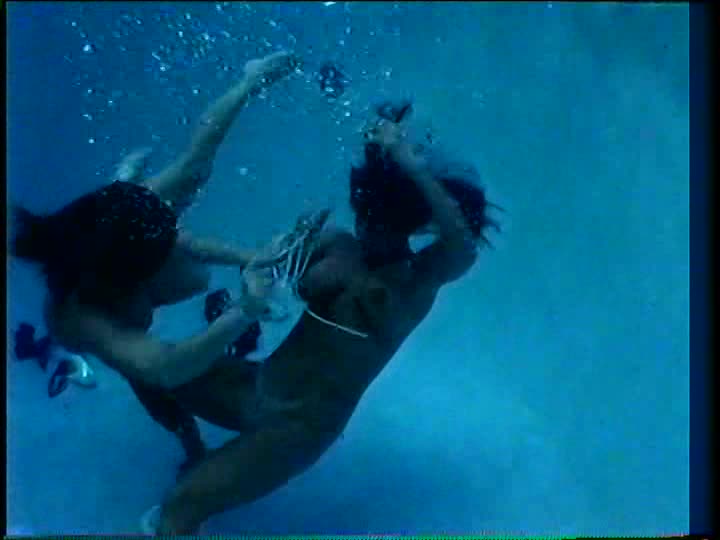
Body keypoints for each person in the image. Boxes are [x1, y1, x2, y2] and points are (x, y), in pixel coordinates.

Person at [143, 101, 501, 534]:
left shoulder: (415, 281)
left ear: (411, 222)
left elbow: (462, 245)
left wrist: (411, 163)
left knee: (180, 508)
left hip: (298, 427)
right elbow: (261, 260)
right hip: (257, 386)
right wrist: (219, 252)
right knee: (150, 369)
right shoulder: (338, 244)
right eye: (364, 212)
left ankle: (205, 461)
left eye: (378, 219)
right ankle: (193, 447)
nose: (367, 225)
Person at [8, 50, 321, 470]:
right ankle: (191, 445)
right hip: (108, 277)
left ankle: (124, 179)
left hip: (109, 224)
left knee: (179, 196)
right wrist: (245, 310)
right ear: (137, 280)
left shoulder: (130, 218)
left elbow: (196, 162)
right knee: (152, 384)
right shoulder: (84, 320)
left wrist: (249, 83)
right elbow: (164, 367)